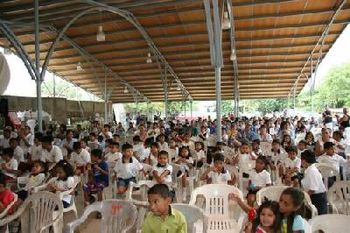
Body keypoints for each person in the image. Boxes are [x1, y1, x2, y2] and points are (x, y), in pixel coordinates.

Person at [300, 150, 327, 215]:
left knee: (319, 218)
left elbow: (313, 189)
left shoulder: (312, 171)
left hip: (318, 198)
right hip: (313, 196)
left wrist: (304, 197)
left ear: (304, 160)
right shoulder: (308, 169)